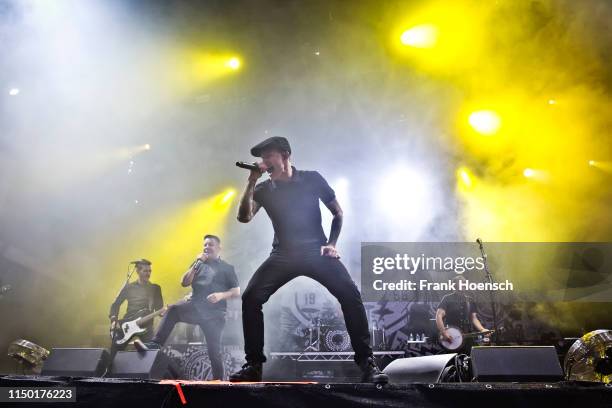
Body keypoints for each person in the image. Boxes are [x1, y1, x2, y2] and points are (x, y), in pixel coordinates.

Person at [229, 136, 388, 384]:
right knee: (251, 298)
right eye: (262, 158)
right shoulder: (263, 189)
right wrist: (251, 181)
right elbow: (244, 217)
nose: (264, 162)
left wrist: (332, 244)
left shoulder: (312, 179)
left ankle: (367, 363)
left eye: (268, 156)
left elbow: (337, 212)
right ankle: (254, 365)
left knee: (350, 294)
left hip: (317, 250)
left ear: (285, 155)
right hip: (283, 254)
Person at [135, 235, 240, 380]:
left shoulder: (227, 268)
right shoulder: (199, 264)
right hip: (196, 307)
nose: (207, 247)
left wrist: (221, 295)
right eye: (205, 245)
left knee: (214, 351)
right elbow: (184, 282)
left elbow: (236, 291)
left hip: (214, 315)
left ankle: (218, 381)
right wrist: (197, 263)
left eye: (210, 245)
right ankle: (154, 345)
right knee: (173, 310)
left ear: (219, 248)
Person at [109, 258, 164, 358]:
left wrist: (165, 312)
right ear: (138, 271)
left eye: (149, 271)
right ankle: (108, 372)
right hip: (127, 325)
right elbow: (116, 304)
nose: (148, 273)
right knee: (114, 351)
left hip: (146, 326)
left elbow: (160, 310)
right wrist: (113, 320)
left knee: (152, 354)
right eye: (145, 271)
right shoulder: (129, 287)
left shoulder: (155, 288)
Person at [435, 275, 490, 353]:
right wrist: (444, 332)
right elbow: (438, 316)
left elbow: (473, 318)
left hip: (467, 336)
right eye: (460, 283)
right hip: (451, 337)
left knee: (472, 358)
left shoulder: (470, 300)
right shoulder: (447, 298)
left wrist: (482, 329)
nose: (463, 285)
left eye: (464, 283)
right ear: (454, 285)